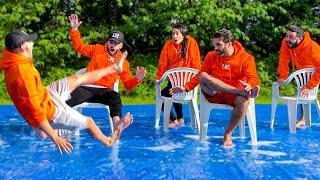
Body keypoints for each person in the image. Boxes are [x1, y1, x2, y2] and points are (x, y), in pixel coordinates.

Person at [0, 29, 133, 154]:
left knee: (78, 78)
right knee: (90, 122)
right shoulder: (23, 74)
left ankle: (114, 68)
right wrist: (54, 137)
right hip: (50, 111)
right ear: (22, 48)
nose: (32, 43)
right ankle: (110, 141)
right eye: (29, 42)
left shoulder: (11, 57)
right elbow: (35, 110)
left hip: (46, 93)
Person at [172, 29, 259, 147]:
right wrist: (186, 87)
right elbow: (200, 75)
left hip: (232, 97)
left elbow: (253, 78)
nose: (216, 48)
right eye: (214, 44)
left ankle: (228, 134)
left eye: (219, 44)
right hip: (214, 93)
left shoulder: (246, 58)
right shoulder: (211, 56)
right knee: (203, 76)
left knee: (244, 101)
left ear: (229, 43)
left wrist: (250, 85)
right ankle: (239, 92)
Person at [66, 14, 146, 129]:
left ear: (120, 45)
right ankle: (55, 120)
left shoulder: (123, 62)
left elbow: (127, 84)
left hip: (104, 92)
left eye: (116, 43)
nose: (112, 45)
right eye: (111, 42)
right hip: (87, 87)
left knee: (115, 97)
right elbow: (79, 47)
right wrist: (74, 30)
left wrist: (137, 78)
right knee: (68, 96)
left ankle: (117, 124)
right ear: (107, 43)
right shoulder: (97, 49)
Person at [156, 23, 201, 128]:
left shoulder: (191, 43)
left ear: (184, 34)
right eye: (173, 33)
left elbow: (196, 65)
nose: (174, 36)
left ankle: (174, 119)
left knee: (164, 95)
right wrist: (158, 78)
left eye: (177, 33)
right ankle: (179, 119)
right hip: (173, 81)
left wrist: (191, 82)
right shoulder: (168, 44)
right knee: (171, 89)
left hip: (188, 84)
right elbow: (162, 63)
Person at [277, 23, 320, 128]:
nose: (287, 39)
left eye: (291, 37)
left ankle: (303, 119)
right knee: (302, 93)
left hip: (315, 73)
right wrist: (283, 75)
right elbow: (283, 59)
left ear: (300, 38)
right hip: (301, 72)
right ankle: (303, 119)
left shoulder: (312, 48)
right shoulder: (286, 43)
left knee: (306, 91)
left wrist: (309, 85)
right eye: (286, 36)